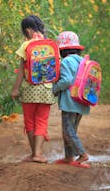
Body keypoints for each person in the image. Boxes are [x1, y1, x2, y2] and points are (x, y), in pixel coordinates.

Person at [11, 15, 56, 163]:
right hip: (46, 90)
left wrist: (15, 90)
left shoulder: (26, 46)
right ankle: (38, 154)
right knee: (41, 121)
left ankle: (33, 154)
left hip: (29, 89)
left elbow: (21, 71)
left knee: (29, 121)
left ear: (28, 31)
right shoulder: (50, 44)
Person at [52, 31, 91, 168]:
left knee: (67, 131)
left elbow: (66, 80)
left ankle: (82, 154)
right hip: (82, 101)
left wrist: (55, 89)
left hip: (70, 102)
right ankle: (69, 158)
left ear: (63, 50)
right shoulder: (83, 61)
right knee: (71, 130)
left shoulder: (66, 61)